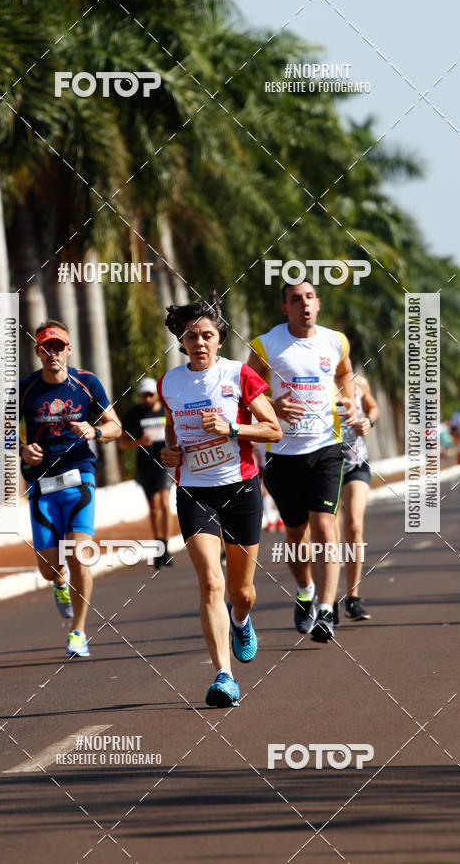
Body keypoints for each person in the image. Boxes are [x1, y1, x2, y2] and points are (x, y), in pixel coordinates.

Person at [158, 294, 281, 707]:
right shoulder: (171, 382)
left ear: (219, 338)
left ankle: (242, 619)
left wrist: (232, 429)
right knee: (211, 580)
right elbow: (172, 429)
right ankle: (224, 676)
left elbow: (273, 430)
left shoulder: (239, 375)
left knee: (240, 589)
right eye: (192, 335)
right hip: (194, 490)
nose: (200, 342)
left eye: (207, 335)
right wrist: (169, 452)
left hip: (241, 488)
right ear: (182, 340)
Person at [247, 279, 356, 644]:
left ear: (318, 304)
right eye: (296, 299)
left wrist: (351, 399)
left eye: (309, 298)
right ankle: (306, 589)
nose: (304, 305)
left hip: (327, 446)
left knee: (325, 526)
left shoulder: (335, 340)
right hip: (282, 454)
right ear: (286, 308)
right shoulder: (266, 345)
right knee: (296, 534)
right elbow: (248, 393)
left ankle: (327, 609)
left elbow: (344, 372)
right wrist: (273, 407)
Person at [19, 320, 122, 657]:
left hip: (80, 477)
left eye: (58, 346)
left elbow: (115, 426)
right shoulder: (25, 389)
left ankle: (78, 631)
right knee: (49, 569)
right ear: (38, 351)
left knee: (80, 555)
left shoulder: (87, 383)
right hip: (41, 484)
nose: (53, 353)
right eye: (46, 348)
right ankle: (59, 583)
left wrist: (94, 432)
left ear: (69, 349)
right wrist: (22, 450)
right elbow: (2, 434)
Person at [333, 373, 379, 624]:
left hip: (355, 464)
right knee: (328, 533)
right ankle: (326, 601)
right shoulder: (313, 383)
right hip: (323, 467)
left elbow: (372, 404)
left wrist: (369, 421)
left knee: (354, 525)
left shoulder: (358, 381)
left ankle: (353, 597)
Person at [119, 378, 174, 569]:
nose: (147, 399)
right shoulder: (135, 414)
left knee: (165, 503)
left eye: (150, 395)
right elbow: (122, 442)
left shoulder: (167, 410)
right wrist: (138, 442)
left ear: (157, 394)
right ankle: (159, 546)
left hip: (165, 462)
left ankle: (165, 547)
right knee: (153, 507)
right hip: (145, 465)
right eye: (144, 396)